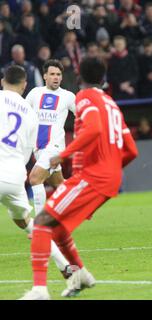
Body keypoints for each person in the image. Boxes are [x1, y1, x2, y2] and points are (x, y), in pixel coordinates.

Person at [20, 58, 139, 300]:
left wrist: (61, 156)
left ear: (76, 75)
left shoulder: (84, 97)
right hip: (108, 178)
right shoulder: (110, 103)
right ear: (103, 78)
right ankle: (81, 275)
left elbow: (93, 129)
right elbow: (131, 150)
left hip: (93, 176)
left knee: (42, 223)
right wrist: (112, 171)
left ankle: (40, 290)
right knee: (60, 230)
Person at [0, 65, 71, 284]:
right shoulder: (29, 111)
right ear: (24, 85)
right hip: (14, 175)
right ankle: (65, 266)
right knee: (27, 223)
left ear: (3, 81)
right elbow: (27, 149)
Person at [25, 59, 76, 231]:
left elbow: (82, 115)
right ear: (45, 76)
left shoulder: (68, 96)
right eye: (52, 74)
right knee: (59, 184)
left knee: (34, 179)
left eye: (59, 74)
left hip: (55, 148)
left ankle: (40, 226)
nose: (56, 77)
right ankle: (80, 204)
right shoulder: (34, 93)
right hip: (38, 148)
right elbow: (24, 116)